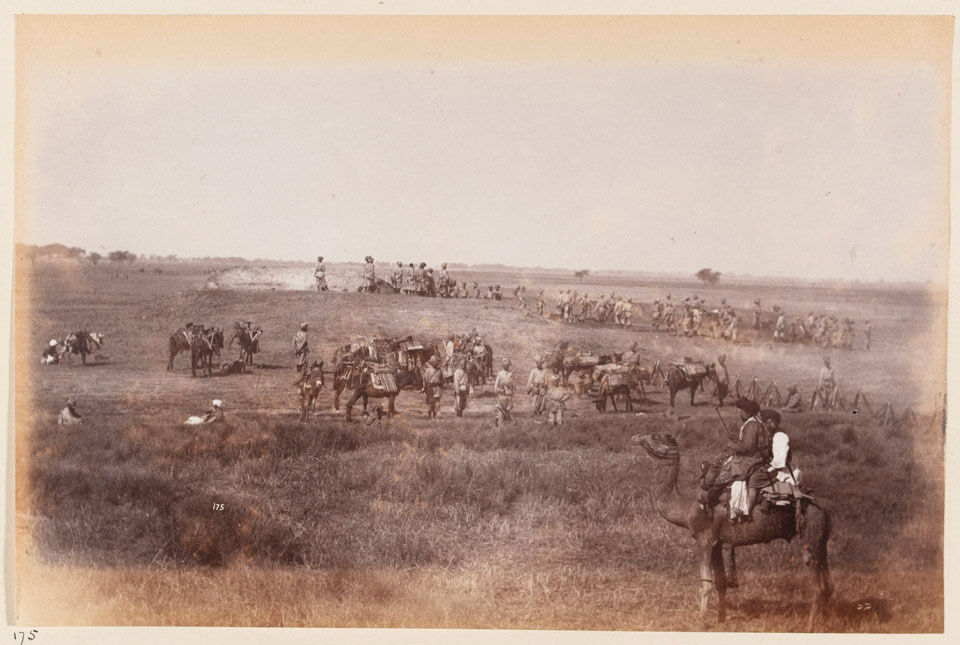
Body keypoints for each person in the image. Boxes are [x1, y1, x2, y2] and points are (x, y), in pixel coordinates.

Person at [494, 359, 515, 427]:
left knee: (507, 411)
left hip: (509, 395)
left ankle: (507, 423)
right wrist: (498, 389)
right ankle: (498, 423)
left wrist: (509, 386)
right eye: (504, 365)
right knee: (500, 410)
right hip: (501, 394)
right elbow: (496, 385)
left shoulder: (511, 374)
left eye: (507, 365)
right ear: (503, 366)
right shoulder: (500, 373)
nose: (506, 366)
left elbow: (514, 386)